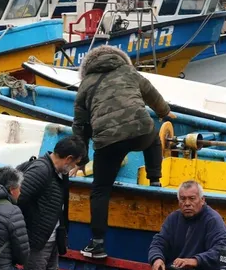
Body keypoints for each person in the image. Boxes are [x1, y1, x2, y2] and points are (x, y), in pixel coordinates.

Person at [72, 44, 175, 259]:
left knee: (100, 190)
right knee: (153, 137)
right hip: (140, 132)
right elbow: (151, 94)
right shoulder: (129, 72)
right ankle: (155, 180)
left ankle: (97, 244)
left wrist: (82, 160)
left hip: (108, 143)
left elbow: (80, 126)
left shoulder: (85, 85)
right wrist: (165, 112)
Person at [129, 181, 226, 270]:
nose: (187, 203)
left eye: (192, 198)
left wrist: (195, 260)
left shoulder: (212, 220)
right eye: (183, 199)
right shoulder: (174, 218)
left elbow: (222, 250)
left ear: (202, 200)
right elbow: (159, 241)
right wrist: (157, 259)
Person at [18, 136, 86, 270]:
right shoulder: (41, 171)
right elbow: (18, 198)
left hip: (52, 238)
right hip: (37, 241)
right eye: (75, 163)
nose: (74, 167)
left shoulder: (61, 173)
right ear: (68, 159)